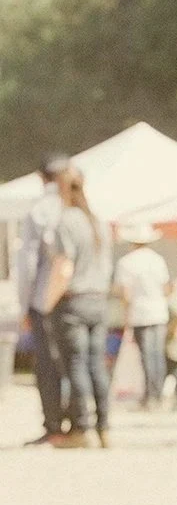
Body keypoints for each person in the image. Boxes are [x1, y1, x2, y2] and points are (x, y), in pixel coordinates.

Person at [45, 166, 114, 448]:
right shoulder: (98, 222)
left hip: (74, 301)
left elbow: (64, 267)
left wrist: (47, 303)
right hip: (98, 299)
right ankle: (104, 426)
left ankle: (81, 428)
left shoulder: (66, 221)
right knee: (96, 364)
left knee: (75, 365)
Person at [16, 154, 69, 444]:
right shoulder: (80, 208)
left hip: (45, 298)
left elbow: (28, 264)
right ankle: (80, 423)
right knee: (75, 362)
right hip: (79, 297)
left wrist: (25, 303)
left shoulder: (40, 211)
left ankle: (53, 425)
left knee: (48, 365)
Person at [114, 224, 172, 406]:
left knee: (146, 355)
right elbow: (166, 288)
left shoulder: (126, 262)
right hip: (159, 311)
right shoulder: (158, 260)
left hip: (139, 313)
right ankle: (157, 393)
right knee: (157, 355)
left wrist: (126, 316)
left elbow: (125, 293)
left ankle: (150, 395)